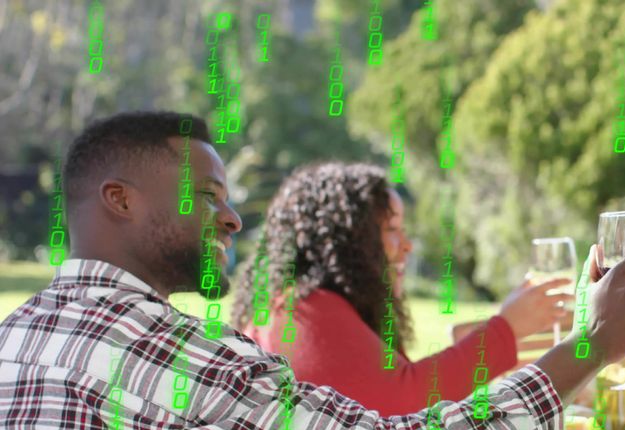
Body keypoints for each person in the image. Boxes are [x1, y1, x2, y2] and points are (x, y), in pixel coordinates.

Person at [0, 111, 625, 430]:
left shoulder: (18, 339)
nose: (232, 218)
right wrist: (594, 342)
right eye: (207, 195)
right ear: (120, 199)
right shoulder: (163, 360)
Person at [230, 162, 571, 416]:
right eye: (391, 229)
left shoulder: (311, 306)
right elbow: (405, 397)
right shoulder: (302, 311)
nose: (406, 246)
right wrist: (507, 329)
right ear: (347, 239)